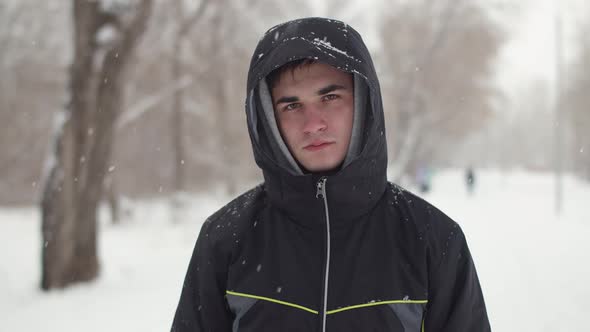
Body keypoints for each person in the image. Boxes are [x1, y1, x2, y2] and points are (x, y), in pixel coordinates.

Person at [171, 17, 490, 331]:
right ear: (269, 120)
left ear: (364, 104)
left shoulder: (433, 240)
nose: (313, 124)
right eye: (292, 106)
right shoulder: (226, 238)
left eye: (330, 97)